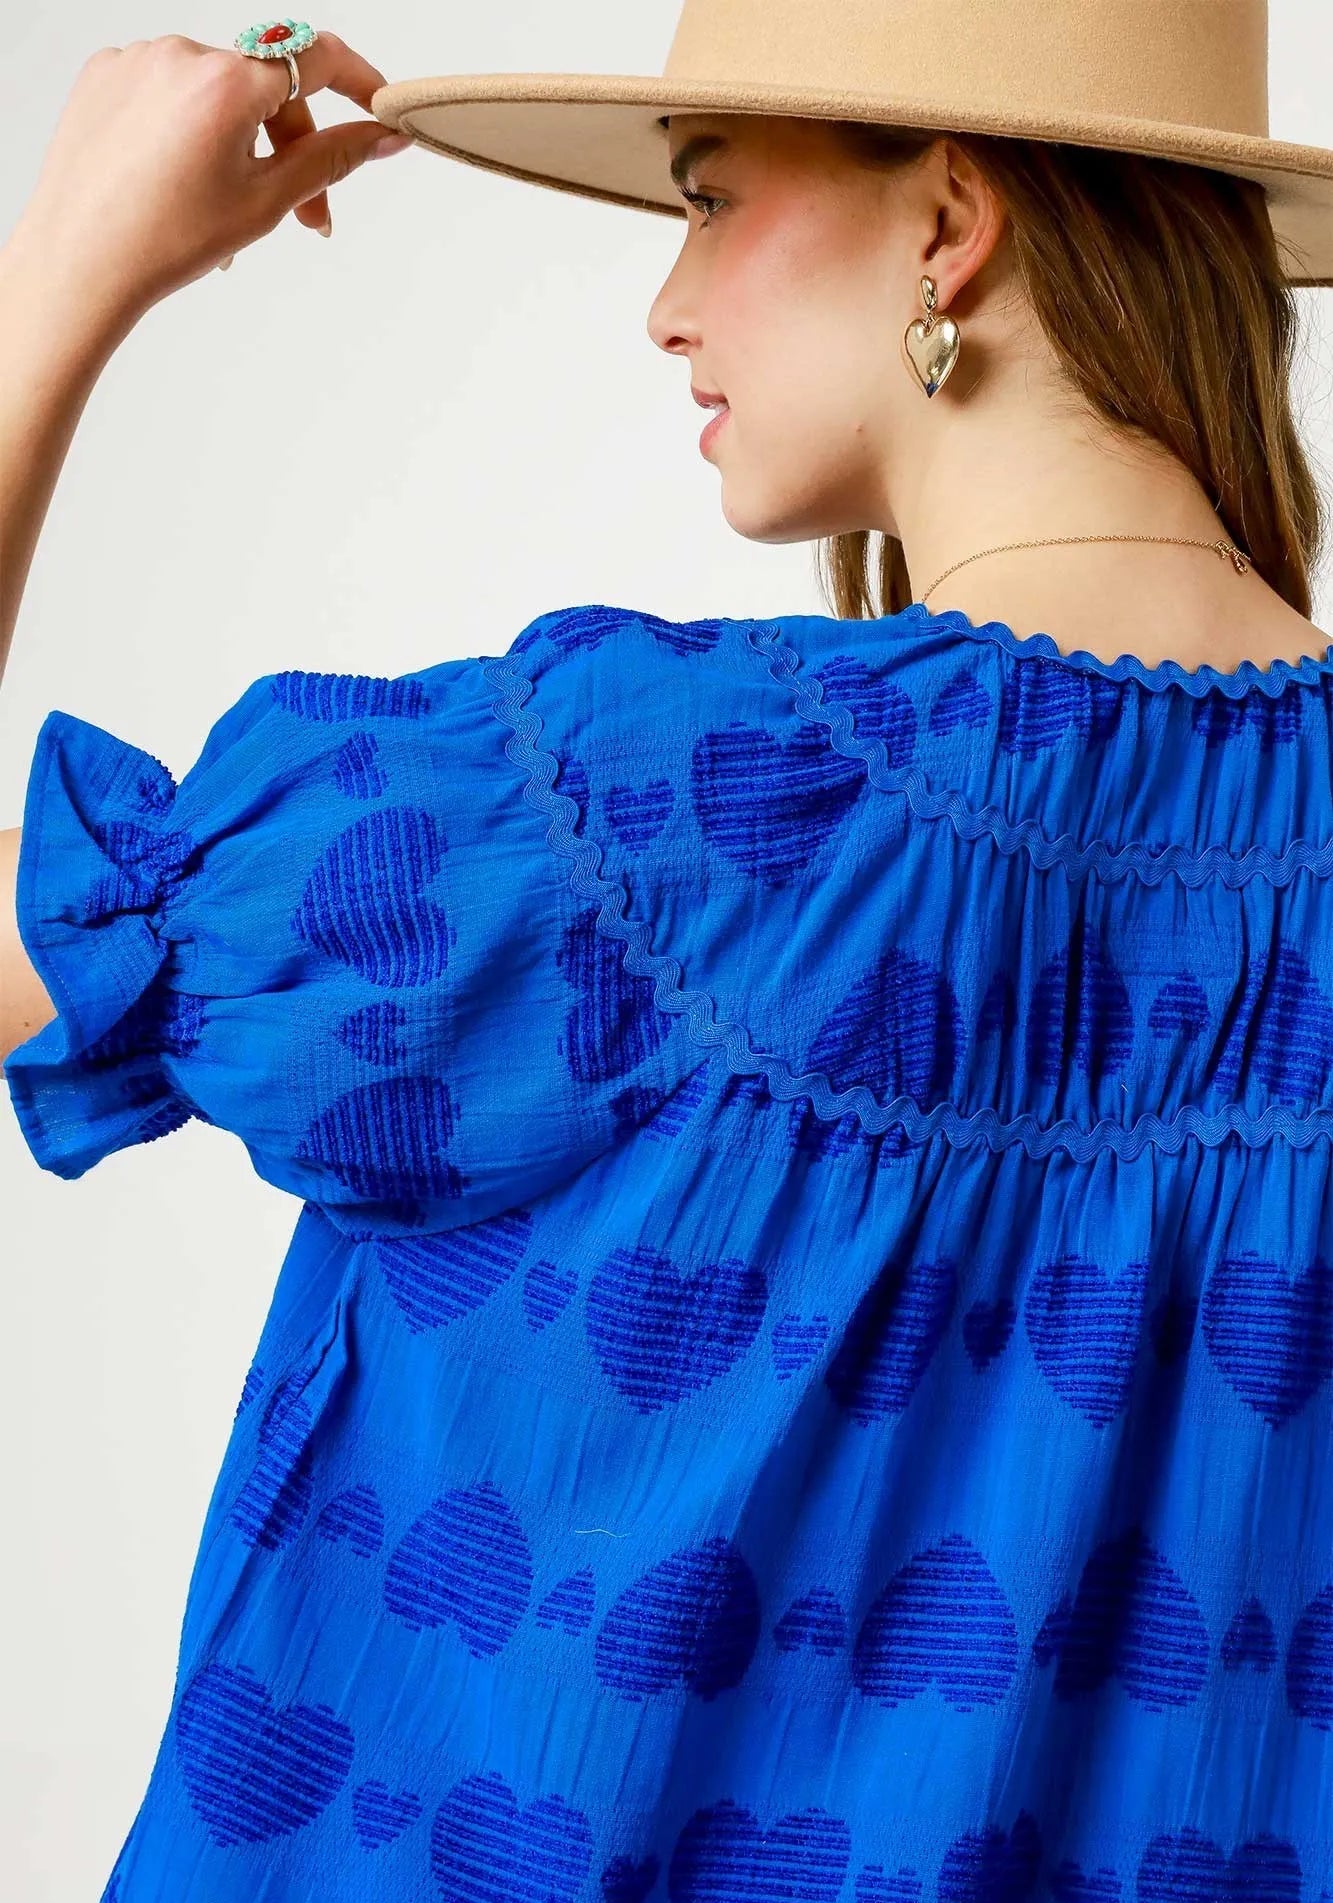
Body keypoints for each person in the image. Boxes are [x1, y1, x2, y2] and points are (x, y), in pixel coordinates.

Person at [3, 9, 1333, 1899]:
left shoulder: (651, 817)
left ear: (949, 226)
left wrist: (61, 268)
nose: (667, 304)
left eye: (711, 201)